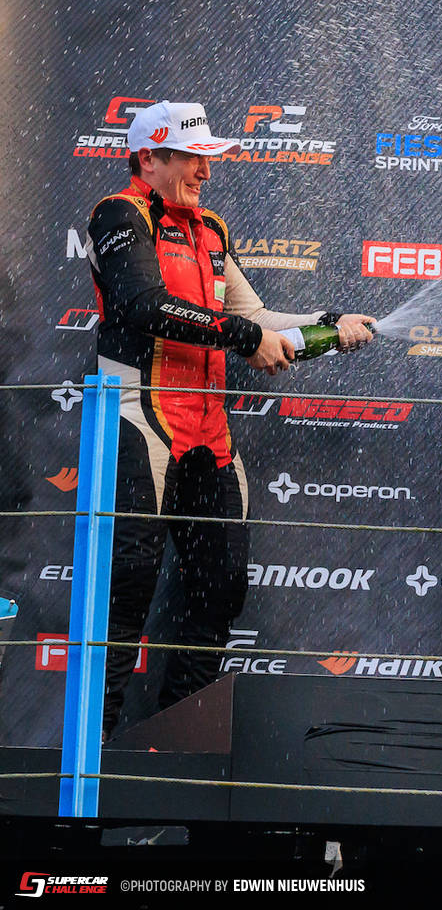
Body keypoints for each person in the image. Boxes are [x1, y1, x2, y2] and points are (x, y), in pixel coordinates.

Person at [88, 100, 375, 738]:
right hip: (138, 419)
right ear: (149, 158)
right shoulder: (119, 213)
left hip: (209, 432)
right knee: (124, 592)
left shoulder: (212, 229)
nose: (206, 172)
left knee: (220, 588)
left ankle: (175, 741)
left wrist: (328, 326)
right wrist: (246, 338)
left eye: (208, 158)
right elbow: (142, 304)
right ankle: (97, 750)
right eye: (193, 158)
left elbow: (257, 317)